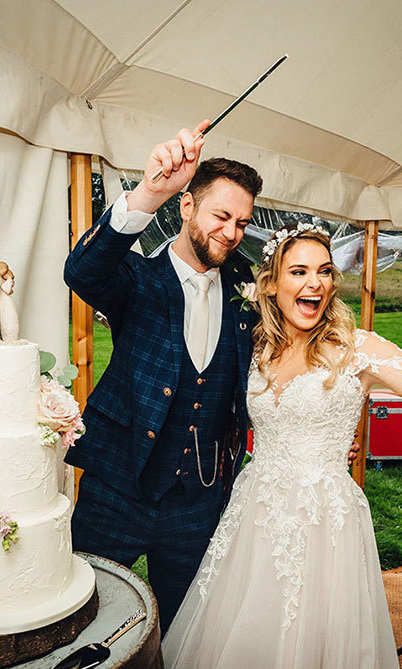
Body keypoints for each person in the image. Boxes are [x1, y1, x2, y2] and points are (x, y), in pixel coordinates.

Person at [161, 226, 402, 669]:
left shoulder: (358, 350)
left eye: (324, 271)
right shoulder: (254, 345)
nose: (315, 283)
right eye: (299, 271)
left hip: (324, 523)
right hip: (253, 515)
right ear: (271, 283)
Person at [64, 123, 360, 633]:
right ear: (186, 207)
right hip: (117, 489)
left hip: (200, 501)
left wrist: (318, 431)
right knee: (82, 613)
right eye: (221, 216)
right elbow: (82, 273)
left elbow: (289, 356)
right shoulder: (137, 280)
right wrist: (150, 190)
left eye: (243, 222)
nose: (231, 231)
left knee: (186, 631)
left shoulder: (250, 294)